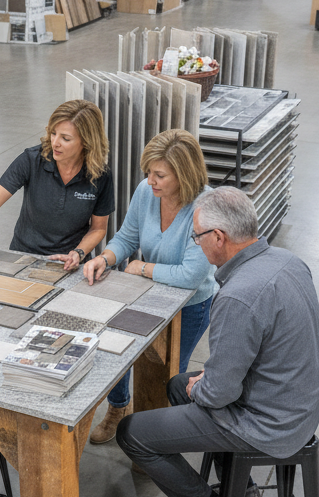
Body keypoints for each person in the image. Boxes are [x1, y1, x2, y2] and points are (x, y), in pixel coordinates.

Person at [115, 186, 319, 497]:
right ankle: (242, 488)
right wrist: (206, 383)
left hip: (269, 423)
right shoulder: (288, 260)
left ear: (218, 237)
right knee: (177, 385)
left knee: (131, 432)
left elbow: (217, 395)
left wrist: (203, 387)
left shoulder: (238, 297)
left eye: (197, 237)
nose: (197, 244)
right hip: (299, 404)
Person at [80, 129, 218, 444]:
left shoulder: (205, 206)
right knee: (116, 350)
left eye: (160, 175)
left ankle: (155, 436)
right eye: (148, 172)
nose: (150, 180)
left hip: (190, 305)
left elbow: (190, 276)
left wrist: (142, 268)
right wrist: (107, 257)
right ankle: (118, 409)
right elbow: (129, 235)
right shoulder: (146, 191)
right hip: (149, 292)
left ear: (184, 174)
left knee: (165, 375)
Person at [0, 100, 113, 270]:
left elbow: (98, 228)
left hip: (68, 262)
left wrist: (78, 253)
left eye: (65, 138)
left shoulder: (100, 175)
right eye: (53, 133)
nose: (55, 143)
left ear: (86, 141)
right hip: (22, 256)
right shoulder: (32, 159)